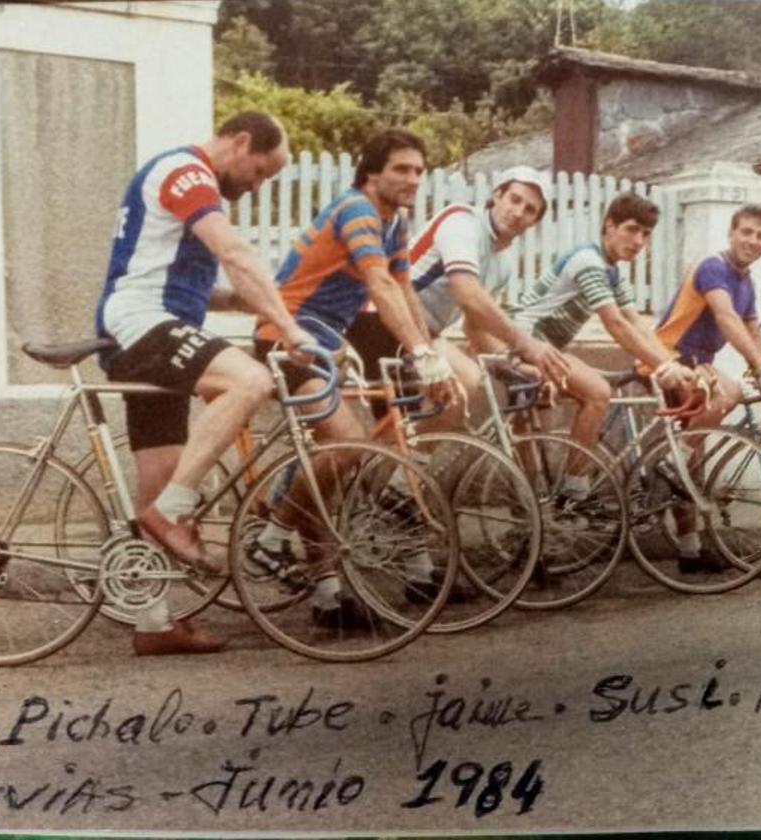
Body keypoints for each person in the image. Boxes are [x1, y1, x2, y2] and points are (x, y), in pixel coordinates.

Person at [95, 110, 316, 655]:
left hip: (149, 325)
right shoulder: (187, 172)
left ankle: (152, 623)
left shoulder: (181, 181)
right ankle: (174, 511)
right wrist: (286, 328)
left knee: (162, 471)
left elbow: (184, 279)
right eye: (261, 171)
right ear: (240, 142)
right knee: (250, 381)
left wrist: (243, 301)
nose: (257, 184)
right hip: (141, 325)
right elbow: (234, 254)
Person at [251, 128, 460, 629]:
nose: (412, 179)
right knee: (347, 446)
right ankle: (273, 534)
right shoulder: (356, 210)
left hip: (323, 337)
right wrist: (420, 353)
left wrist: (427, 354)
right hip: (290, 332)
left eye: (418, 171)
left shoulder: (397, 222)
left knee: (337, 459)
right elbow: (379, 283)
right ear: (372, 173)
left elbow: (406, 291)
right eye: (401, 170)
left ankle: (327, 595)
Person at [344, 165, 572, 421]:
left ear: (534, 222)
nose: (518, 212)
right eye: (514, 199)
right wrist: (527, 344)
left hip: (423, 332)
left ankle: (408, 457)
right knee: (409, 417)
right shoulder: (462, 222)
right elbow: (468, 294)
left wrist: (514, 366)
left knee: (466, 386)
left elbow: (475, 328)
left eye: (529, 210)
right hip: (381, 319)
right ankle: (395, 455)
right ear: (497, 195)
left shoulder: (504, 262)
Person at [512, 192, 694, 508]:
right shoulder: (588, 261)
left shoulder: (611, 270)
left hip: (544, 348)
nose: (639, 241)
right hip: (526, 342)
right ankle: (574, 491)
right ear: (609, 226)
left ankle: (532, 511)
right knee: (597, 393)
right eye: (632, 230)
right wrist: (663, 368)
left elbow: (635, 323)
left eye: (646, 234)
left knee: (530, 436)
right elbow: (615, 324)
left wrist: (669, 362)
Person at [650, 204, 761, 571]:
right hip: (670, 355)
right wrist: (760, 367)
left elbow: (753, 329)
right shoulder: (714, 266)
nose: (753, 241)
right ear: (732, 233)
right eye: (746, 232)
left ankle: (690, 552)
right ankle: (671, 458)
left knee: (692, 465)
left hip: (698, 363)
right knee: (727, 394)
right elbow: (727, 319)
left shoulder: (746, 281)